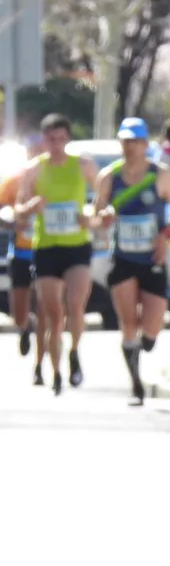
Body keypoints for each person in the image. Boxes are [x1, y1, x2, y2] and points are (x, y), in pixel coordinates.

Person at [90, 118, 170, 404]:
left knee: (152, 324)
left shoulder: (160, 175)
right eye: (125, 140)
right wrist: (103, 219)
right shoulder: (109, 177)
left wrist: (166, 234)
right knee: (127, 322)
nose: (130, 146)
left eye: (135, 140)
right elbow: (97, 217)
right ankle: (135, 381)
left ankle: (148, 339)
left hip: (152, 256)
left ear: (146, 144)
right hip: (122, 256)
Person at [15, 113, 98, 394]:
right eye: (51, 139)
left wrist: (90, 215)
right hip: (47, 247)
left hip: (77, 246)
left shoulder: (83, 165)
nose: (56, 144)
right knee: (53, 313)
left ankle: (74, 352)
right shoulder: (34, 170)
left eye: (61, 139)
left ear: (68, 139)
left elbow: (102, 200)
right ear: (44, 140)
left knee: (75, 303)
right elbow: (18, 209)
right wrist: (31, 207)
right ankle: (56, 371)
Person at [0, 138, 47, 383]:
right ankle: (25, 326)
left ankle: (42, 362)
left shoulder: (54, 179)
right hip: (21, 251)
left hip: (49, 250)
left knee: (46, 306)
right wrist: (10, 219)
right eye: (34, 152)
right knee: (19, 311)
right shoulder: (14, 180)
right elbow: (2, 209)